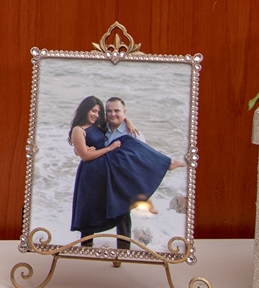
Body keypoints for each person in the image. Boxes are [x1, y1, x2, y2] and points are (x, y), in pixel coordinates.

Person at [69, 96, 184, 249]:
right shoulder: (80, 129)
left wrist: (128, 122)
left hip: (110, 173)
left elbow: (117, 118)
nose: (96, 114)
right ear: (85, 110)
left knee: (122, 209)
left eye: (98, 112)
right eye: (93, 111)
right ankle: (86, 249)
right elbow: (83, 154)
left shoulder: (100, 125)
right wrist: (106, 149)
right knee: (89, 211)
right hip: (92, 174)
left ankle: (124, 250)